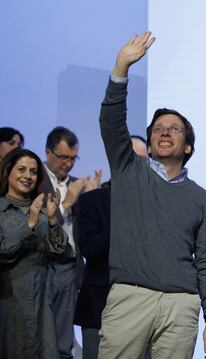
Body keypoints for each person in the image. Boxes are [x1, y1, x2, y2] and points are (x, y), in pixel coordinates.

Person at [98, 32, 206, 359]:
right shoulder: (129, 169)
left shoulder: (201, 198)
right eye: (158, 128)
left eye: (175, 128)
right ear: (150, 144)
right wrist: (121, 67)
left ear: (188, 146)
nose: (165, 131)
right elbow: (111, 123)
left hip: (181, 305)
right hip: (130, 298)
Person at [74, 135, 148, 359]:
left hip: (146, 309)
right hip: (100, 307)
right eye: (130, 157)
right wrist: (124, 212)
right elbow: (90, 249)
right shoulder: (91, 201)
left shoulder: (158, 203)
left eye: (142, 159)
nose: (135, 164)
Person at [0, 148, 70, 358]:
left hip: (41, 300)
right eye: (21, 169)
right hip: (8, 299)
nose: (27, 176)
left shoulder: (41, 211)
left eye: (32, 171)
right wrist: (28, 226)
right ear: (8, 172)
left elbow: (62, 252)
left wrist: (50, 219)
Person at [39, 126, 101, 359]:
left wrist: (92, 198)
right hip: (41, 264)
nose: (69, 164)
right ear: (48, 152)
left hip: (69, 266)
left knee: (64, 338)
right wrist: (67, 202)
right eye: (64, 157)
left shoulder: (78, 184)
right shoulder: (34, 179)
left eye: (73, 158)